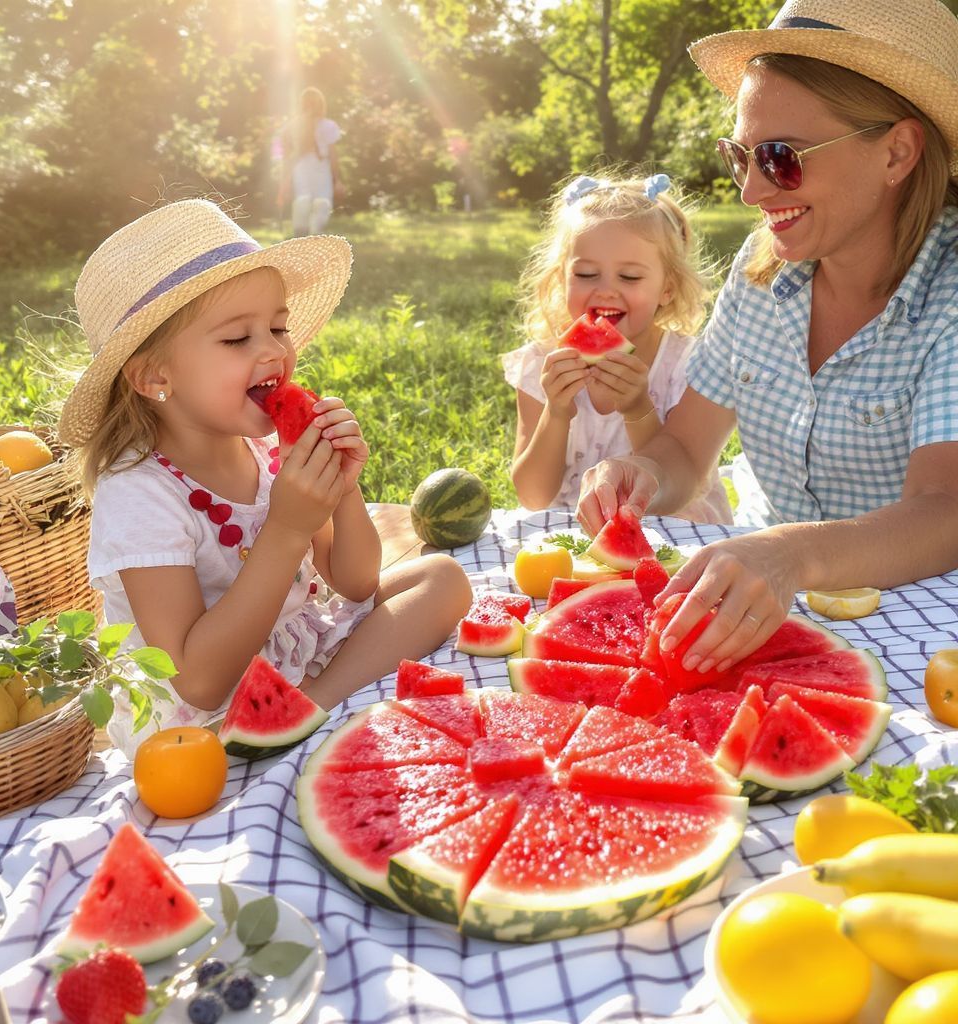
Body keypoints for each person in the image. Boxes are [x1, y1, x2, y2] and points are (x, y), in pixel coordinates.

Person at [577, 0, 958, 677]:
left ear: (898, 151)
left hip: (925, 624)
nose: (753, 191)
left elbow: (944, 513)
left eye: (781, 158)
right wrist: (642, 475)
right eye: (740, 156)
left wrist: (791, 554)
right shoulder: (763, 273)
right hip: (761, 596)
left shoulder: (949, 293)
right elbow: (688, 449)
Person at [58, 199, 471, 752]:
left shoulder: (265, 448)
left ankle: (312, 708)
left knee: (439, 578)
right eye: (237, 339)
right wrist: (286, 529)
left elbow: (356, 582)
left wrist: (342, 490)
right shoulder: (138, 494)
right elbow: (197, 681)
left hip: (295, 659)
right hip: (203, 717)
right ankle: (305, 715)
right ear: (154, 375)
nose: (275, 350)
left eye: (278, 327)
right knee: (206, 713)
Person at [505, 170, 733, 525]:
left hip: (672, 528)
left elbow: (674, 480)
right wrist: (557, 411)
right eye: (585, 275)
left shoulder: (687, 365)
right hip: (570, 533)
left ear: (667, 288)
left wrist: (638, 409)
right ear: (560, 278)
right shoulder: (540, 365)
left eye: (629, 277)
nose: (606, 290)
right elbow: (533, 496)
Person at [277, 87, 344, 237]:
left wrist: (337, 179)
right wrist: (337, 179)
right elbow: (332, 154)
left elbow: (332, 154)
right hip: (311, 166)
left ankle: (308, 233)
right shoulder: (301, 125)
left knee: (313, 200)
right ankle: (307, 234)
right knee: (313, 200)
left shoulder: (322, 125)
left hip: (311, 167)